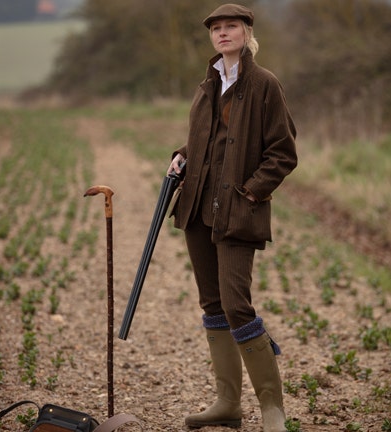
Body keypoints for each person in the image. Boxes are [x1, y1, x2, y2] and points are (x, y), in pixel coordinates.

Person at [167, 4, 297, 432]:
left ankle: (272, 409)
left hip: (239, 211)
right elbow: (203, 143)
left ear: (246, 33)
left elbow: (283, 152)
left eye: (231, 27)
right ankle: (227, 403)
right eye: (217, 29)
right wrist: (181, 158)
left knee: (237, 304)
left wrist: (251, 192)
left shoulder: (264, 85)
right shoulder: (208, 85)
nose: (223, 34)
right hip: (199, 208)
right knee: (213, 305)